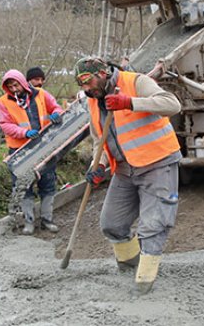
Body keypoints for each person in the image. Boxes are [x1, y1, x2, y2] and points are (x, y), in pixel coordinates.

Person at [76, 56, 182, 295]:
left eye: (88, 81)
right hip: (124, 170)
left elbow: (172, 104)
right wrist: (99, 165)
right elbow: (99, 140)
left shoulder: (136, 82)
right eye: (81, 84)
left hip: (157, 163)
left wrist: (130, 103)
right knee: (112, 224)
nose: (85, 88)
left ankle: (145, 282)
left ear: (102, 74)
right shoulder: (93, 101)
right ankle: (130, 267)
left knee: (153, 225)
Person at [0, 69, 64, 235]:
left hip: (43, 147)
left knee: (48, 184)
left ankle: (47, 219)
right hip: (20, 150)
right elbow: (5, 124)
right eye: (10, 86)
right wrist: (23, 133)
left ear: (22, 82)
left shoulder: (40, 94)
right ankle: (29, 222)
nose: (14, 89)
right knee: (24, 186)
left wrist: (56, 113)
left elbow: (56, 107)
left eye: (16, 85)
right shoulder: (4, 102)